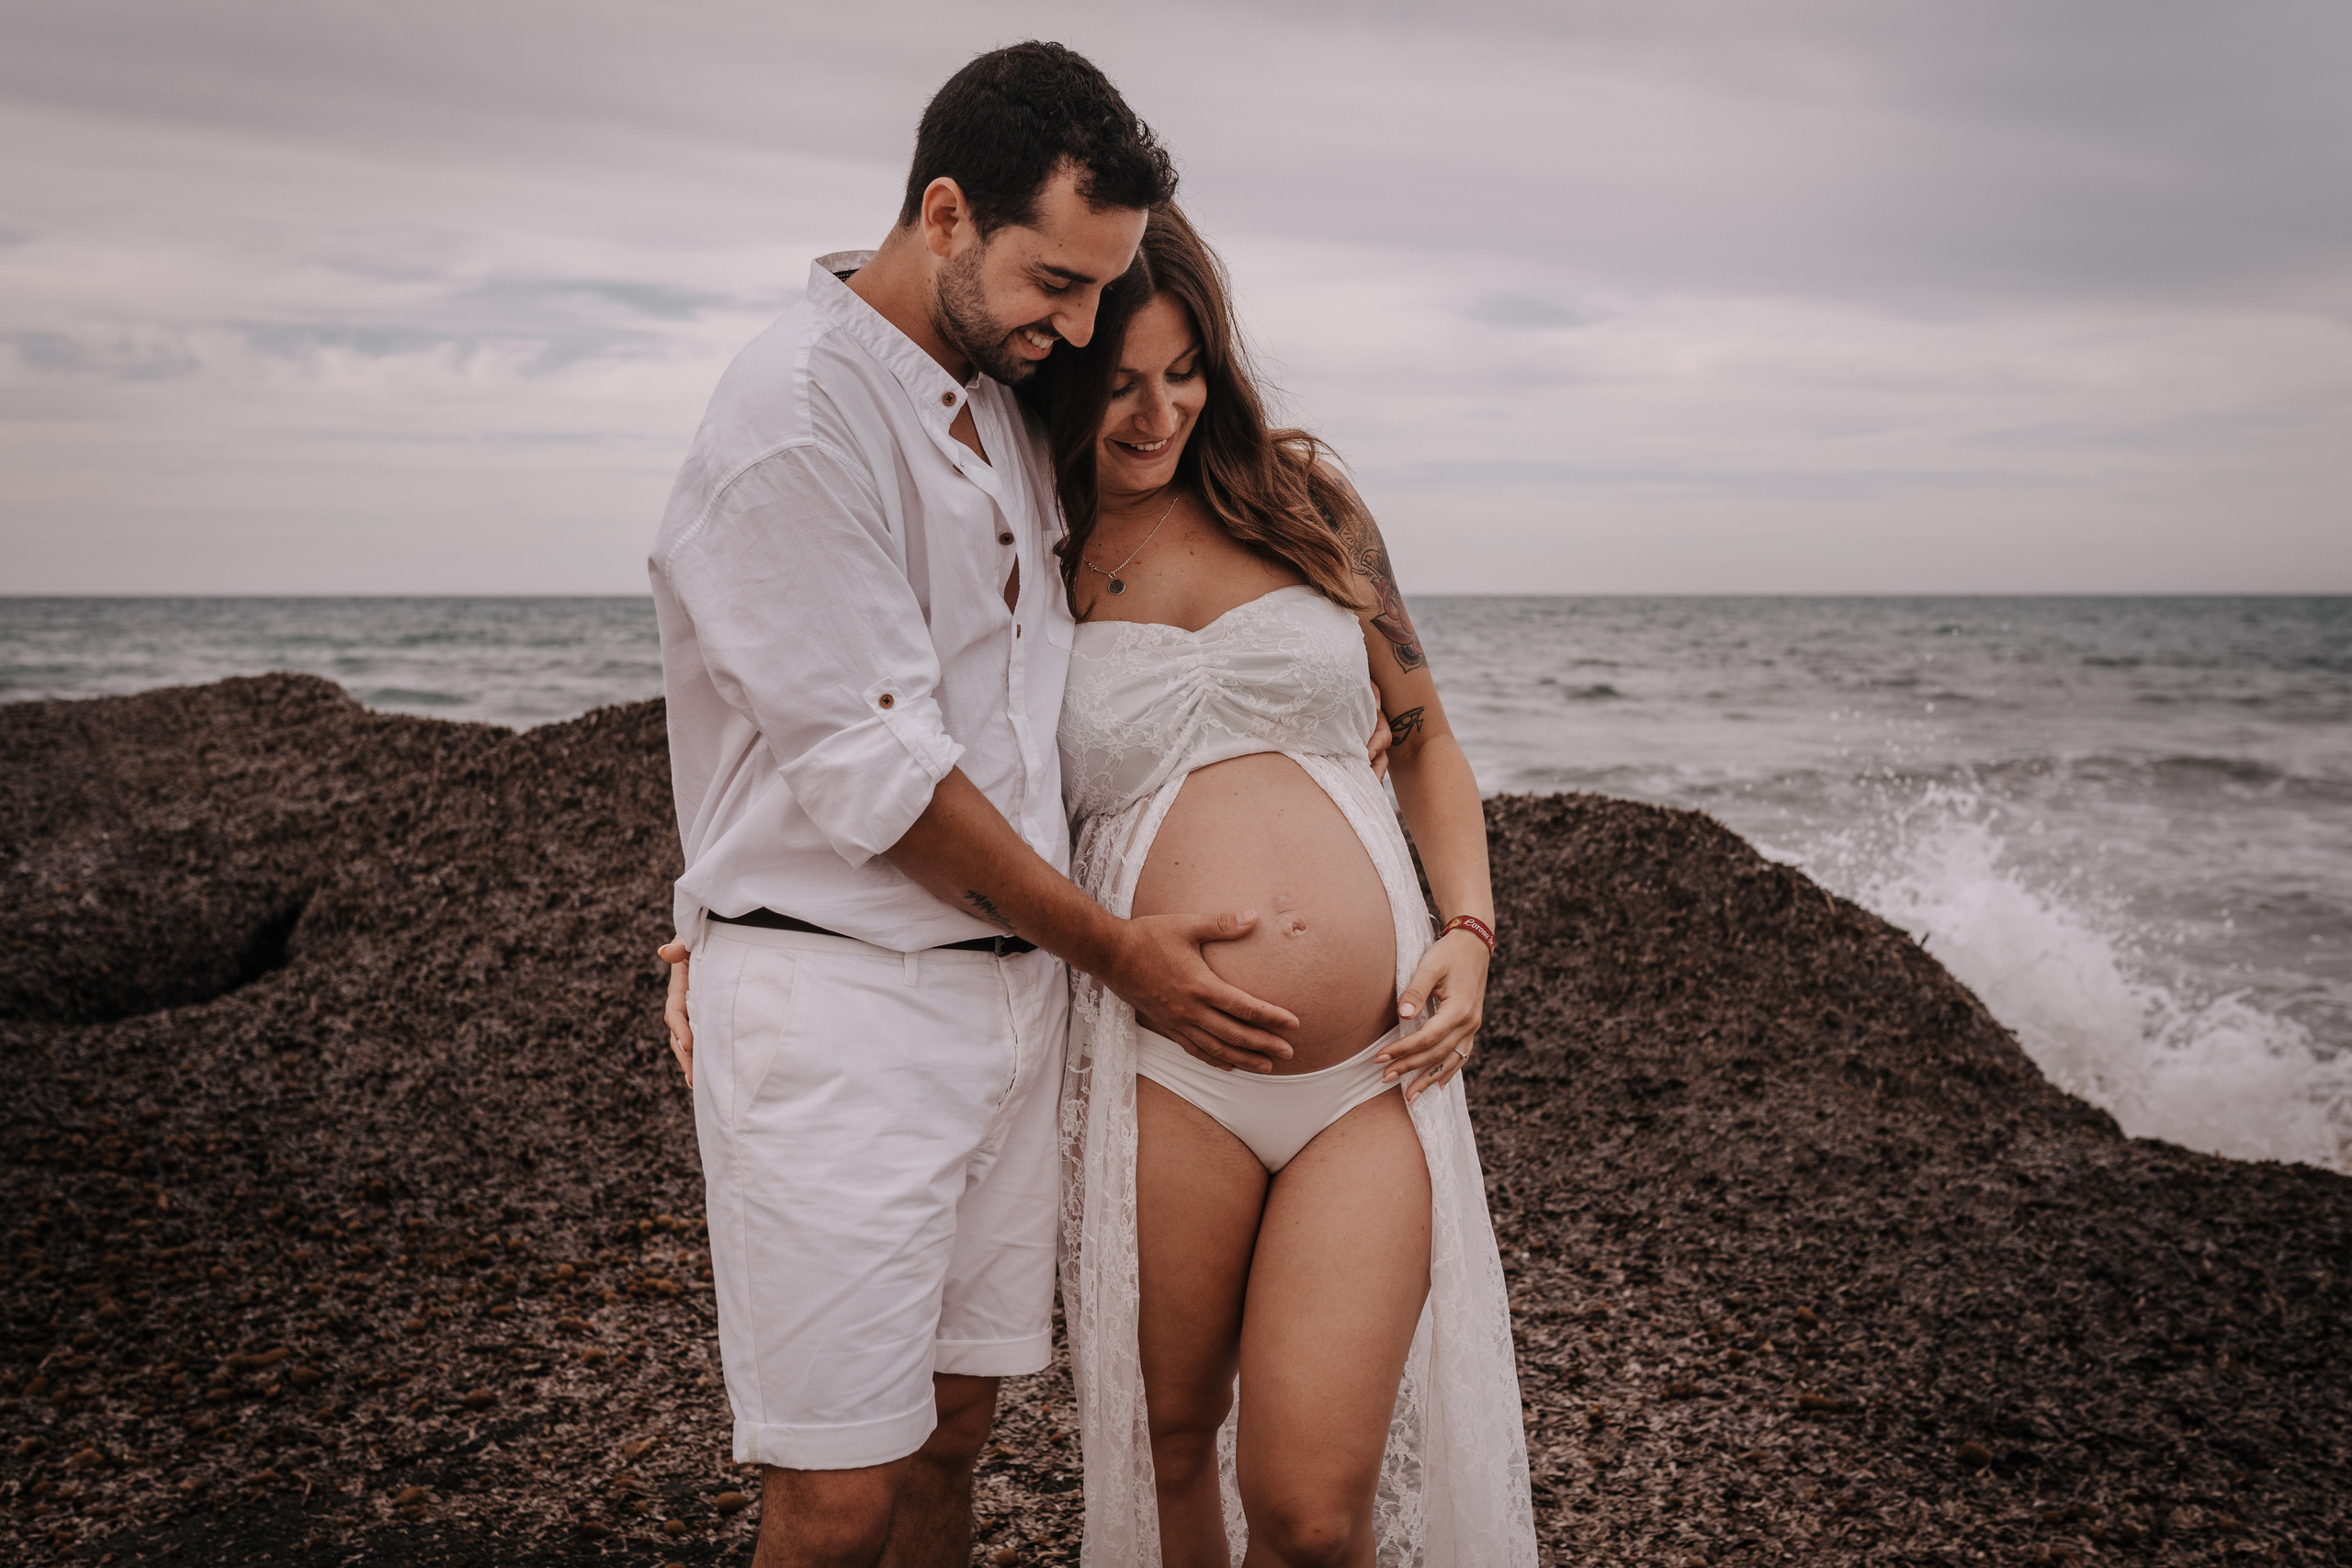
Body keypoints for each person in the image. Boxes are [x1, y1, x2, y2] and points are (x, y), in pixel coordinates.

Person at [648, 45, 1312, 1568]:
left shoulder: (999, 400)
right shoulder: (795, 421)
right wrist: (1120, 951)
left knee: (955, 1433)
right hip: (844, 1015)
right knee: (835, 1491)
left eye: (1102, 290)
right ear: (944, 213)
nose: (1076, 327)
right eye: (1059, 283)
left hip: (1004, 1018)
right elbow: (893, 787)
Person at [1029, 206, 1537, 1565]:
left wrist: (1474, 935)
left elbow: (1424, 737)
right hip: (1163, 1064)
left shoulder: (1306, 497)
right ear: (1068, 362)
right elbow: (932, 781)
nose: (1157, 410)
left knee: (1314, 1516)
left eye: (1187, 369)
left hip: (1372, 1066)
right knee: (1176, 1443)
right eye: (1124, 378)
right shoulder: (1026, 542)